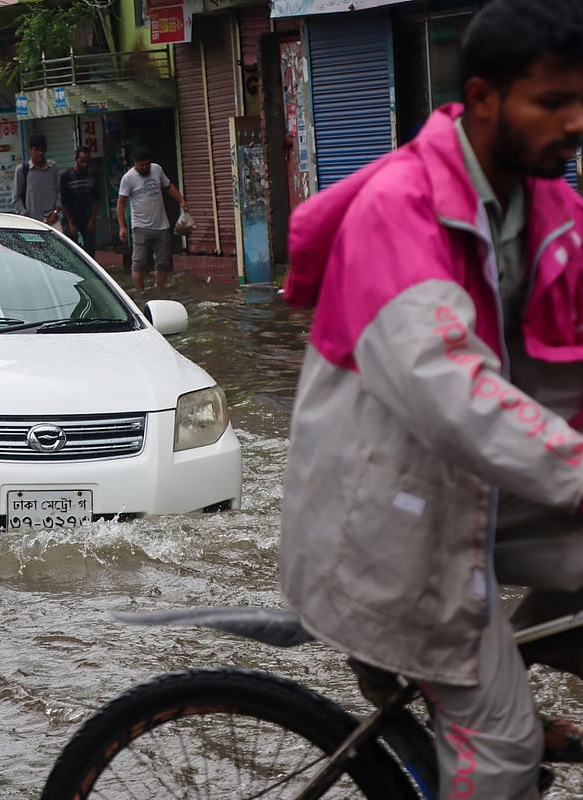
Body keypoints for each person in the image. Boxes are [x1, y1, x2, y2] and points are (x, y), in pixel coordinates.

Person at [278, 1, 583, 795]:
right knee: (506, 745)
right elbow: (453, 389)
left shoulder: (547, 207)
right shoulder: (398, 211)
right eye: (553, 103)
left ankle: (501, 663)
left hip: (476, 486)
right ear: (483, 99)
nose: (576, 123)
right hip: (388, 513)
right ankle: (482, 696)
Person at [116, 147, 186, 293]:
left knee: (163, 262)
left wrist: (181, 200)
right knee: (139, 262)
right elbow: (121, 202)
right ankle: (140, 293)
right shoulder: (128, 178)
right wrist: (122, 227)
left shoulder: (157, 170)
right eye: (141, 165)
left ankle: (159, 290)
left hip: (161, 225)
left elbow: (168, 186)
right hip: (140, 227)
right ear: (135, 163)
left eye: (147, 164)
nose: (144, 167)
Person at [12, 134, 61, 228]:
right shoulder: (22, 170)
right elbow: (16, 198)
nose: (40, 153)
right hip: (31, 223)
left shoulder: (52, 168)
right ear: (30, 150)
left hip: (52, 220)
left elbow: (59, 192)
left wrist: (55, 212)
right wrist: (26, 217)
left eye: (42, 150)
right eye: (36, 150)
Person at [60, 147, 101, 257]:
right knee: (72, 251)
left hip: (87, 217)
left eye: (87, 161)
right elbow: (64, 202)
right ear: (76, 159)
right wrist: (71, 223)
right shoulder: (66, 176)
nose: (84, 164)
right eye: (82, 161)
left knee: (90, 252)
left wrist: (92, 220)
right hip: (72, 217)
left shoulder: (93, 175)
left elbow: (96, 199)